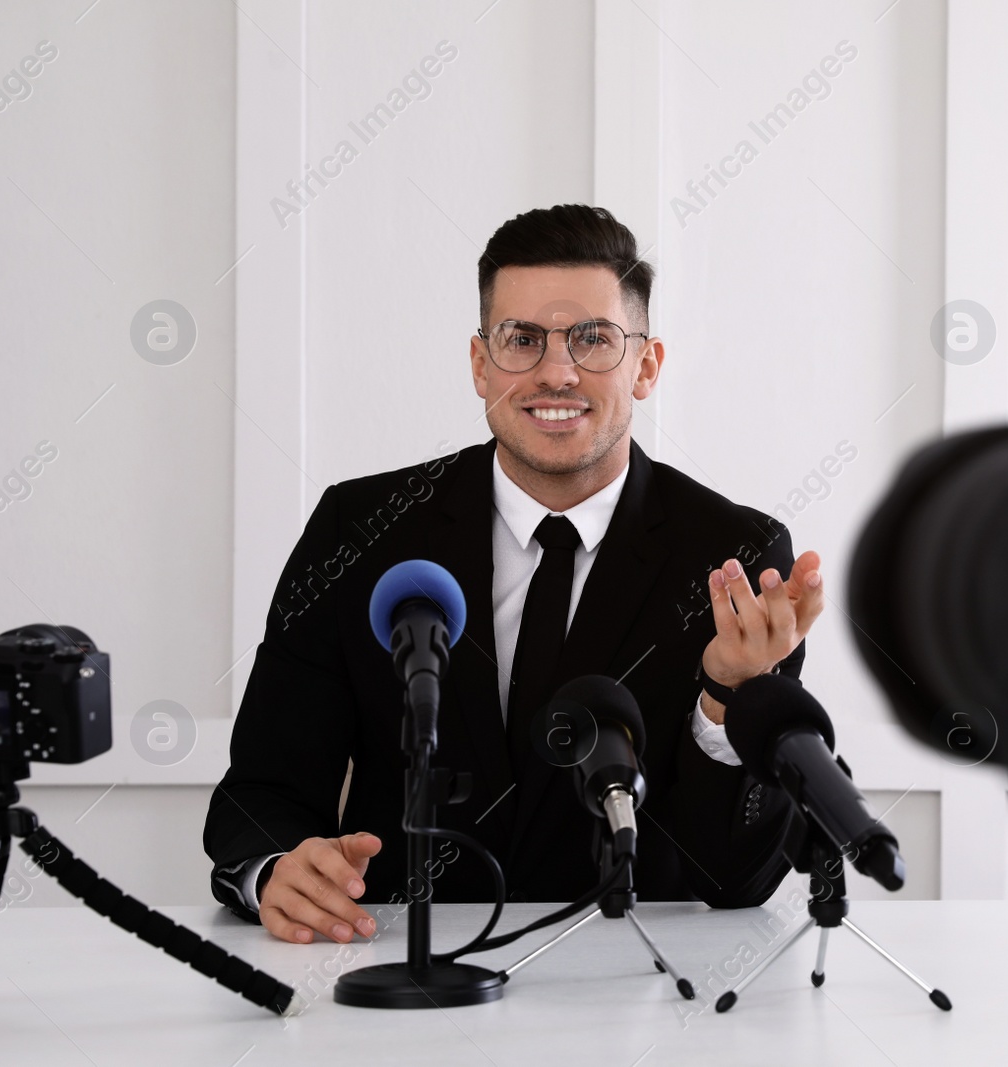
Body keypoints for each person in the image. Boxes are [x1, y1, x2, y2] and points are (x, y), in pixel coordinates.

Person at [204, 204, 824, 945]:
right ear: (480, 364)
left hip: (639, 998)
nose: (556, 371)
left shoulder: (734, 554)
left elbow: (737, 880)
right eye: (522, 340)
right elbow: (259, 796)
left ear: (647, 365)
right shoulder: (359, 528)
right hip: (400, 984)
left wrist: (727, 699)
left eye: (594, 340)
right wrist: (275, 869)